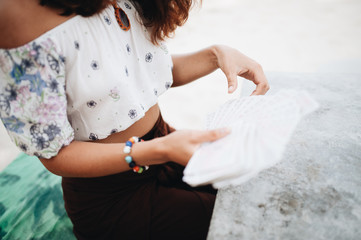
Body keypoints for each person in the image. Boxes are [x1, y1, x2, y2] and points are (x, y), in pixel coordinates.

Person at [0, 0, 269, 239]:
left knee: (254, 189)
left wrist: (215, 55)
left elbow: (140, 75)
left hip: (165, 146)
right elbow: (55, 155)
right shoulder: (15, 15)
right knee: (246, 222)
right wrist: (155, 150)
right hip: (112, 198)